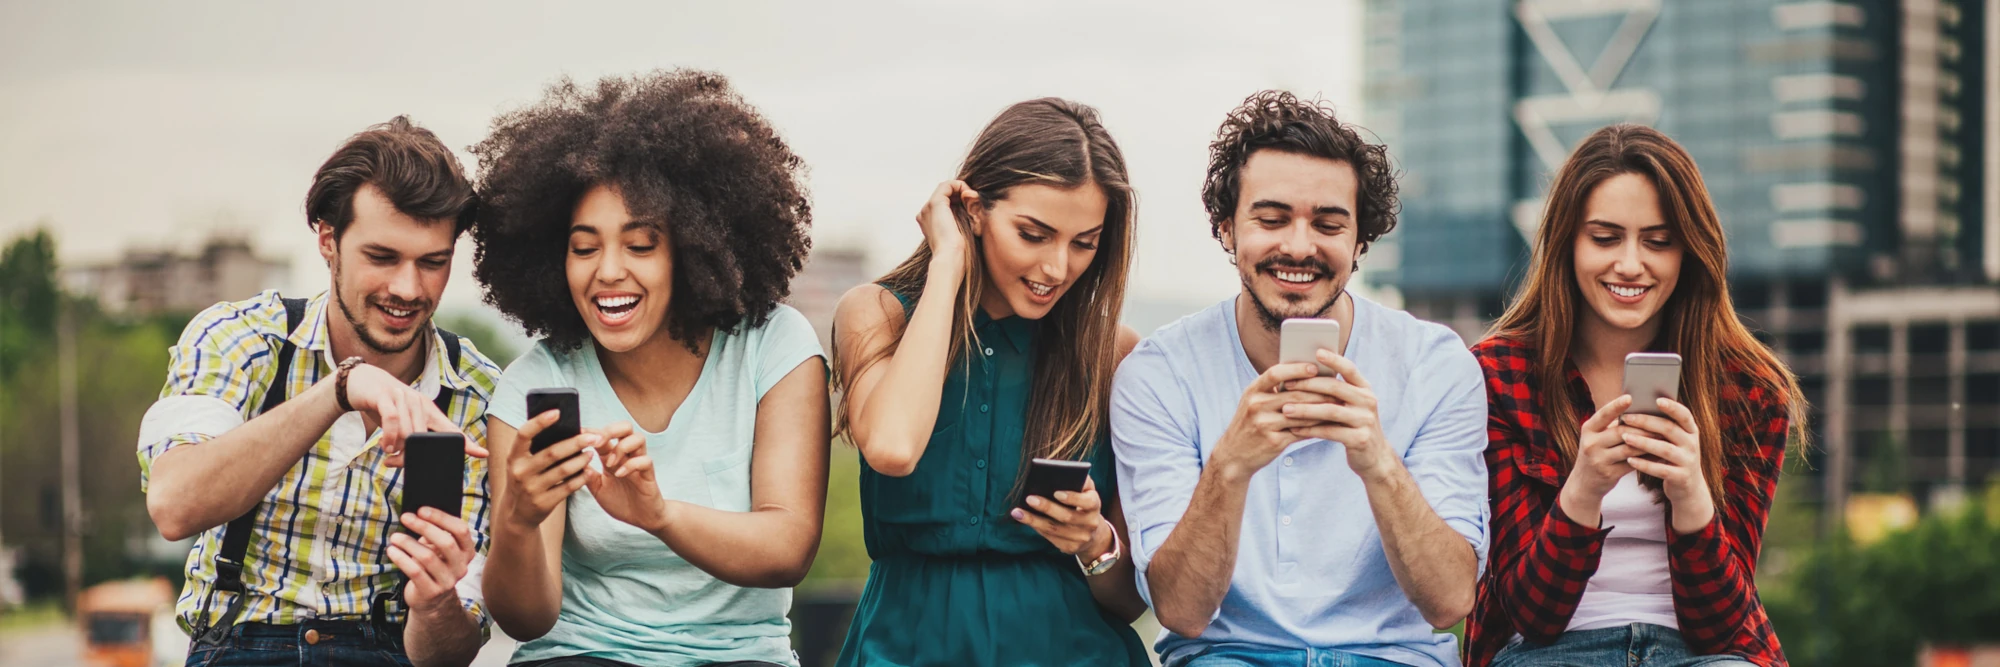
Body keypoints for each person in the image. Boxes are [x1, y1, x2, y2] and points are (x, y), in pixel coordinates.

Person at [1111, 91, 1488, 667]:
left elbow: (1451, 603)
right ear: (1226, 228)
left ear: (1360, 241)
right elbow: (1181, 612)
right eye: (1272, 218)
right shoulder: (1160, 373)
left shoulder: (1436, 365)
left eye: (1329, 223)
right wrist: (1230, 466)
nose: (1298, 246)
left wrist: (1378, 462)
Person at [472, 70, 828, 667]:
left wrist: (656, 515)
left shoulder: (774, 346)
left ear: (691, 250)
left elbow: (788, 547)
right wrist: (518, 519)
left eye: (640, 245)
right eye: (584, 247)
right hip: (582, 654)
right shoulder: (535, 383)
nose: (608, 270)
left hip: (739, 656)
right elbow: (527, 617)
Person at [136, 116, 499, 667]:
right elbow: (174, 505)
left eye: (432, 263)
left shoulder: (478, 396)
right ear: (328, 240)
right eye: (382, 257)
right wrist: (341, 389)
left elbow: (447, 656)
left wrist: (435, 604)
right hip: (239, 645)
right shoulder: (242, 339)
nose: (408, 288)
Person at [1466, 124, 1807, 667]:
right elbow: (1530, 613)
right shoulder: (1497, 376)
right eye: (1605, 238)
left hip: (1703, 654)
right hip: (1547, 650)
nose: (1630, 264)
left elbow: (1720, 624)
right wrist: (1583, 490)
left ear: (1690, 252)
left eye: (1658, 241)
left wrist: (1691, 494)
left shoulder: (1749, 389)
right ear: (1565, 244)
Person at [830, 97, 1151, 666]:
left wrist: (1095, 543)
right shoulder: (877, 314)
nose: (1057, 268)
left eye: (1084, 243)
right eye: (1033, 234)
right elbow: (892, 446)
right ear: (973, 211)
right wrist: (947, 265)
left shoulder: (1114, 354)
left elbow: (1127, 601)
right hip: (904, 650)